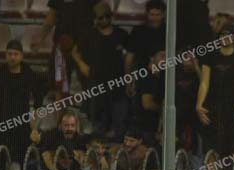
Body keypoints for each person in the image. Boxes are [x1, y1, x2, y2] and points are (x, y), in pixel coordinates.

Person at [0, 40, 44, 166]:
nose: (12, 57)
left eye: (15, 54)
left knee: (21, 161)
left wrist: (34, 117)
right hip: (0, 122)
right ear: (6, 55)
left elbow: (39, 96)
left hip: (22, 124)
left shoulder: (29, 74)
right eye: (10, 54)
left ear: (21, 56)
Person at [71, 2, 129, 142]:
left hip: (118, 84)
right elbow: (74, 52)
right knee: (97, 126)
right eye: (100, 17)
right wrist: (82, 65)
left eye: (106, 16)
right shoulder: (89, 35)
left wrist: (129, 78)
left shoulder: (121, 34)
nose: (104, 20)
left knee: (119, 126)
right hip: (97, 84)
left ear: (111, 16)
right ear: (95, 18)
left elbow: (130, 57)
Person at [196, 27, 234, 158]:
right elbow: (204, 83)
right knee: (211, 151)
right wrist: (199, 104)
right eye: (222, 35)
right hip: (213, 106)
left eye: (228, 35)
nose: (225, 38)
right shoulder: (210, 57)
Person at [125, 0, 166, 98]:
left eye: (157, 15)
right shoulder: (138, 31)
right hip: (142, 76)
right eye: (152, 14)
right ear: (147, 14)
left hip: (164, 77)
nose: (154, 18)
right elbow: (129, 59)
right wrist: (128, 81)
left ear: (163, 14)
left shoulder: (168, 30)